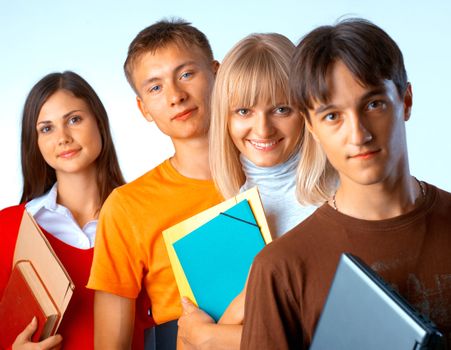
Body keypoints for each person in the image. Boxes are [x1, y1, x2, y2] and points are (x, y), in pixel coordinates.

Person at [240, 18, 451, 350]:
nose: (358, 135)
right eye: (332, 116)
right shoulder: (281, 268)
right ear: (311, 125)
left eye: (373, 104)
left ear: (405, 101)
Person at [86, 19, 223, 348]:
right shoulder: (127, 207)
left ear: (218, 73)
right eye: (155, 87)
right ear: (143, 108)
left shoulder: (276, 174)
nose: (176, 96)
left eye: (186, 74)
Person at [177, 33, 316, 350]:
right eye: (243, 111)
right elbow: (189, 341)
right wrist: (200, 335)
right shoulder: (222, 218)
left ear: (306, 111)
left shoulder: (339, 202)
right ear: (223, 117)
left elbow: (334, 336)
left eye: (281, 109)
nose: (263, 129)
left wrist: (213, 336)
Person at [0, 71, 152, 349]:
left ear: (99, 123)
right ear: (34, 142)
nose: (63, 137)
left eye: (74, 119)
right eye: (47, 128)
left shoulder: (145, 219)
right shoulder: (10, 227)